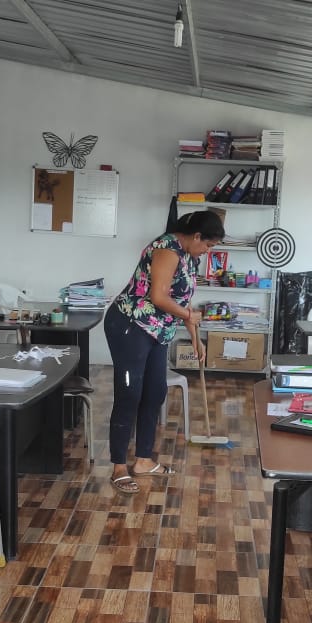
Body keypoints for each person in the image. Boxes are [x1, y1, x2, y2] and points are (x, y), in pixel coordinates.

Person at [104, 209, 226, 494]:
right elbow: (158, 297)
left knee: (155, 392)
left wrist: (196, 339)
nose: (208, 251)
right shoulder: (167, 250)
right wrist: (188, 316)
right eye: (208, 245)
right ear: (197, 236)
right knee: (130, 394)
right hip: (131, 325)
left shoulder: (190, 256)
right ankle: (119, 467)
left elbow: (185, 301)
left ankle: (143, 461)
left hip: (157, 331)